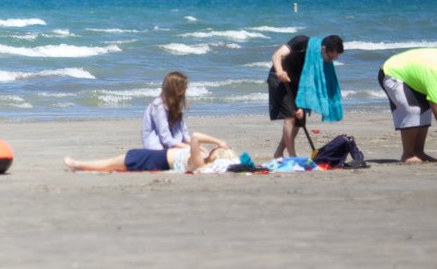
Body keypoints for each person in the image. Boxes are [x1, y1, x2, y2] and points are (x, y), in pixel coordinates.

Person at [378, 48, 437, 164]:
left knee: (425, 109)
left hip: (413, 74)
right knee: (413, 110)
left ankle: (418, 151)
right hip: (391, 72)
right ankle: (408, 154)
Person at [268, 34, 344, 158]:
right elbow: (276, 56)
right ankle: (293, 157)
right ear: (323, 48)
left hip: (299, 85)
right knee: (290, 117)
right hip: (280, 80)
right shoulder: (301, 42)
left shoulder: (321, 60)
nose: (330, 61)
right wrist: (280, 71)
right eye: (330, 57)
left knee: (299, 121)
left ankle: (278, 153)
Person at [64, 132, 234, 173]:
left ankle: (77, 164)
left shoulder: (199, 162)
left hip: (155, 159)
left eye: (215, 150)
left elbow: (195, 136)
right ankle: (79, 165)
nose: (213, 148)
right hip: (157, 158)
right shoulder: (202, 157)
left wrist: (219, 142)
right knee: (114, 164)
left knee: (112, 163)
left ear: (215, 157)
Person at [141, 71, 191, 150]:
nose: (185, 90)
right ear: (174, 88)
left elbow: (185, 134)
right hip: (156, 147)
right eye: (183, 87)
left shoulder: (175, 106)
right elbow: (165, 138)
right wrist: (188, 148)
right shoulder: (158, 105)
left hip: (171, 145)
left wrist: (195, 146)